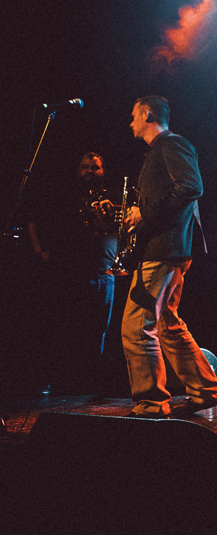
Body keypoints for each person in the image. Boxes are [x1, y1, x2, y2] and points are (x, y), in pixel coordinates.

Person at [121, 96, 217, 418]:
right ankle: (205, 390)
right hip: (169, 249)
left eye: (134, 115)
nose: (130, 122)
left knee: (137, 327)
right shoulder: (161, 149)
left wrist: (144, 212)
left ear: (147, 113)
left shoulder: (171, 144)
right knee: (168, 324)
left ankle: (151, 403)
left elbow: (191, 187)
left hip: (164, 250)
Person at [27, 152, 118, 394]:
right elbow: (34, 220)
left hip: (104, 273)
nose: (90, 171)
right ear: (78, 170)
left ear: (103, 171)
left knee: (98, 330)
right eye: (85, 167)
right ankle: (61, 382)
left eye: (95, 167)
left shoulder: (113, 199)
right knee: (66, 328)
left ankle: (90, 383)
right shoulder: (66, 198)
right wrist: (40, 251)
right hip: (71, 272)